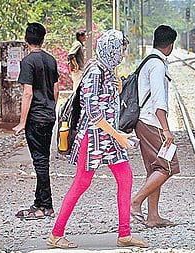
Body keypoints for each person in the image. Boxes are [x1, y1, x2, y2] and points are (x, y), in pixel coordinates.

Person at [47, 29, 148, 249]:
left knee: (125, 178)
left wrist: (117, 89)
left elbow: (107, 103)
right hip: (93, 137)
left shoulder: (107, 69)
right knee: (81, 183)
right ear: (111, 49)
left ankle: (124, 233)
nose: (122, 55)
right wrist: (120, 137)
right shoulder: (95, 71)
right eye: (121, 50)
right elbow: (93, 113)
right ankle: (56, 234)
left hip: (108, 137)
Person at [130, 25, 180, 228]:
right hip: (152, 122)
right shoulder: (158, 65)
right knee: (168, 166)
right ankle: (135, 202)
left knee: (154, 169)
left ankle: (153, 217)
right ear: (170, 45)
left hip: (143, 122)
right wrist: (166, 130)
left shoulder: (147, 61)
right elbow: (160, 102)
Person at [13, 22, 59, 220]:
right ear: (43, 39)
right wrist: (51, 109)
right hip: (48, 116)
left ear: (26, 40)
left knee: (40, 162)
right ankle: (41, 203)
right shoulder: (51, 60)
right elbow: (56, 90)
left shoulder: (28, 62)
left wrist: (22, 122)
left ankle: (44, 206)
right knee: (43, 161)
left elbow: (28, 93)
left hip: (35, 118)